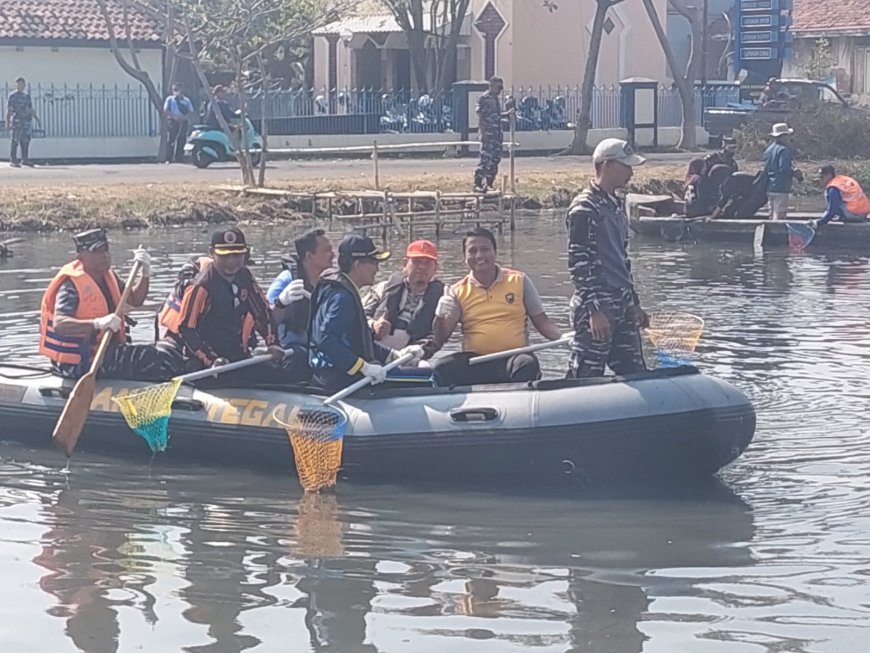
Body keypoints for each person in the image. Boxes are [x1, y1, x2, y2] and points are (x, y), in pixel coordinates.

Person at [432, 227, 562, 385]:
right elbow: (441, 337)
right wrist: (439, 316)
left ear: (495, 252)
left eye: (485, 249)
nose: (479, 256)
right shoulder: (457, 290)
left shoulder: (518, 280)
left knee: (527, 364)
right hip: (476, 363)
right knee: (442, 367)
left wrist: (562, 338)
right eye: (472, 251)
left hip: (513, 358)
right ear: (464, 258)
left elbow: (542, 321)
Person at [38, 229, 171, 381]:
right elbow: (60, 324)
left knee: (160, 355)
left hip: (105, 352)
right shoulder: (71, 285)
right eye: (97, 251)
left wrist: (145, 273)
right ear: (80, 256)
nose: (105, 255)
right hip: (79, 363)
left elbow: (135, 299)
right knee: (148, 356)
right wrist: (97, 323)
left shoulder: (108, 275)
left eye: (106, 249)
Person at [565, 138, 649, 378]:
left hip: (622, 301)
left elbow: (622, 258)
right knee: (587, 374)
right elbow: (578, 263)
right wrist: (593, 310)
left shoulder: (615, 204)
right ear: (608, 165)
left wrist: (634, 302)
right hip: (598, 303)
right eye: (626, 166)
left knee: (635, 371)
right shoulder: (585, 208)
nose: (631, 173)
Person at [163, 227, 287, 383]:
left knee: (280, 375)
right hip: (205, 364)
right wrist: (211, 360)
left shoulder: (245, 277)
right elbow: (187, 329)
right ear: (212, 253)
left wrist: (273, 343)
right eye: (225, 256)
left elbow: (262, 312)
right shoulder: (201, 287)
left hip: (236, 356)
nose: (231, 262)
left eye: (237, 255)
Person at [308, 235, 425, 393]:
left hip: (336, 376)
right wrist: (362, 367)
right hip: (337, 381)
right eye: (374, 263)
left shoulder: (340, 291)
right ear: (357, 265)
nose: (377, 269)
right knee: (426, 377)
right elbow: (324, 338)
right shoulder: (342, 298)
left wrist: (394, 355)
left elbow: (357, 340)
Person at [268, 229, 334, 377]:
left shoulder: (328, 282)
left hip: (318, 345)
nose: (333, 255)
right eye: (327, 251)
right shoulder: (286, 280)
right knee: (298, 359)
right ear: (310, 256)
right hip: (291, 349)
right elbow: (265, 319)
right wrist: (281, 302)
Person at [363, 239, 444, 357]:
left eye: (427, 263)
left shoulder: (445, 297)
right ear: (404, 264)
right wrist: (373, 324)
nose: (422, 267)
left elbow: (441, 333)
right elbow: (358, 316)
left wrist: (421, 349)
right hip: (376, 350)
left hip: (413, 356)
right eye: (416, 262)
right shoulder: (382, 288)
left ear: (435, 267)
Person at [473, 76, 512, 193]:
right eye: (498, 87)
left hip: (497, 134)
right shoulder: (485, 98)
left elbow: (497, 115)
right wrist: (483, 133)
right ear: (491, 86)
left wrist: (507, 114)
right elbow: (480, 116)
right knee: (485, 158)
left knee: (495, 159)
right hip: (488, 134)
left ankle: (489, 182)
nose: (500, 90)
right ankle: (478, 183)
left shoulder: (495, 99)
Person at [763, 122, 803, 221]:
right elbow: (783, 169)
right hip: (781, 186)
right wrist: (795, 173)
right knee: (779, 217)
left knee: (772, 214)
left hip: (770, 185)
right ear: (783, 136)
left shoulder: (769, 150)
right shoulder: (784, 150)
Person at [6, 76, 41, 168]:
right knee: (15, 141)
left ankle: (24, 159)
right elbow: (9, 110)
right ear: (16, 85)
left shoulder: (27, 97)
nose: (20, 85)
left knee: (25, 141)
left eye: (22, 84)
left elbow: (30, 109)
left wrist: (37, 118)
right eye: (18, 83)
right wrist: (8, 122)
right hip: (17, 121)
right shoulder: (13, 96)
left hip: (26, 121)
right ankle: (13, 160)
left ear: (24, 85)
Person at [163, 83, 194, 164]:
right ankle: (168, 158)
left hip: (183, 121)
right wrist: (174, 117)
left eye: (177, 89)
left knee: (182, 139)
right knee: (171, 139)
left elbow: (190, 111)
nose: (175, 91)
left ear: (181, 90)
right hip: (173, 121)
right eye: (174, 90)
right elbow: (166, 110)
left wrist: (184, 118)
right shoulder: (170, 99)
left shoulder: (186, 100)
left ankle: (179, 158)